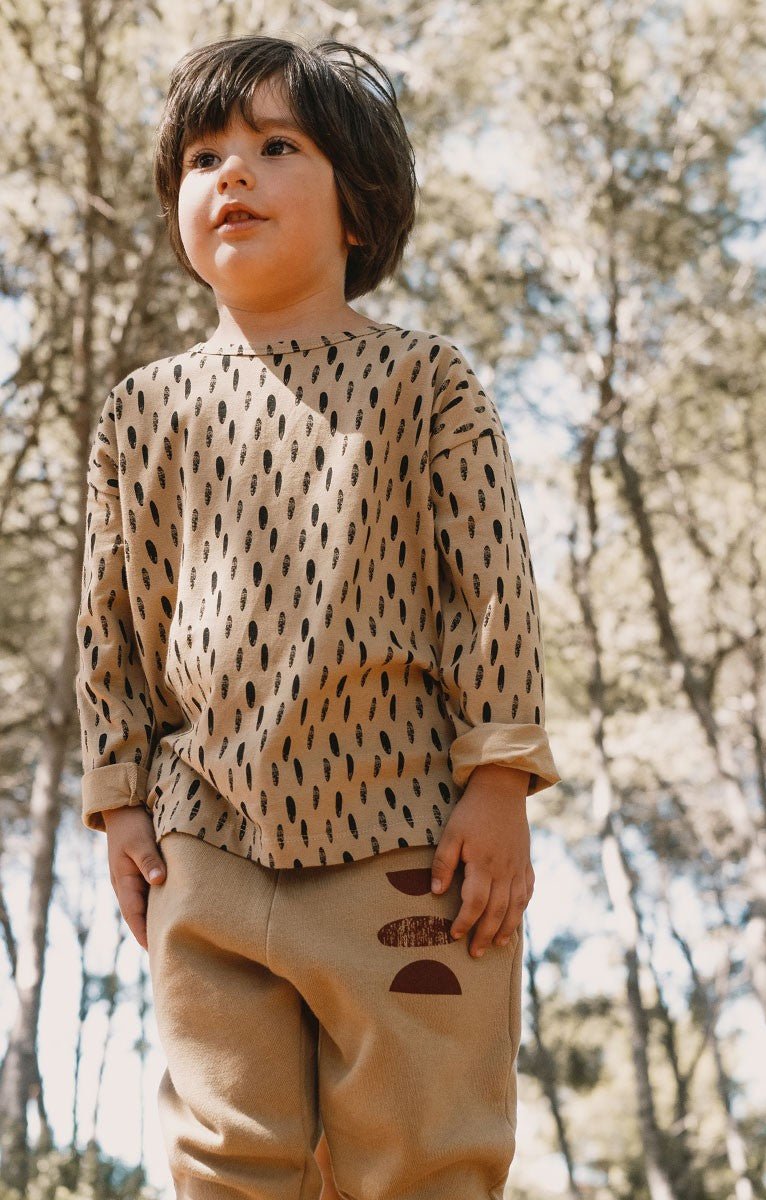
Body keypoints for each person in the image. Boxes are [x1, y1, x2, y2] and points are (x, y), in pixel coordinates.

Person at [74, 33, 561, 1200]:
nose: (231, 173)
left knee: (423, 1151)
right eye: (203, 157)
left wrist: (498, 779)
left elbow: (490, 588)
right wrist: (120, 801)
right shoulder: (143, 411)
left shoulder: (424, 383)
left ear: (359, 206)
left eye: (275, 146)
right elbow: (112, 623)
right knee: (224, 1159)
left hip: (408, 848)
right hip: (205, 846)